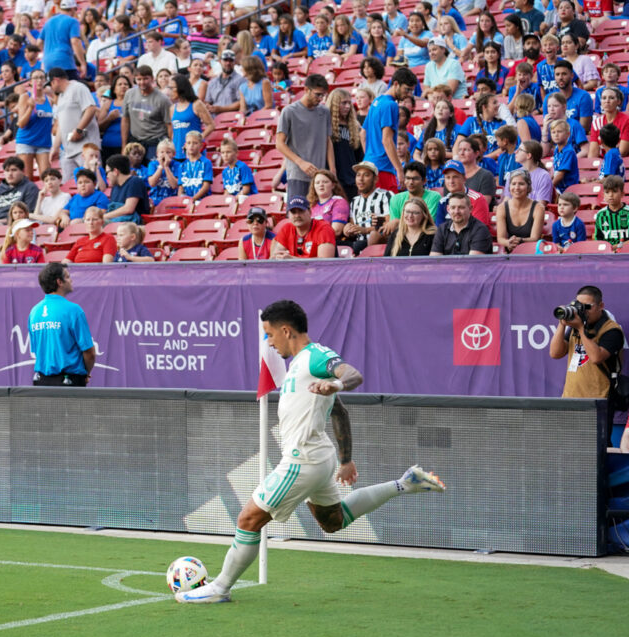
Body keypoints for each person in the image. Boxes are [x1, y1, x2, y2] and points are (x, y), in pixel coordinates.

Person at [176, 300, 445, 603]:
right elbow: (339, 413)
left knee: (248, 520)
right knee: (334, 521)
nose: (269, 342)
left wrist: (338, 384)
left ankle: (219, 588)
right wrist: (345, 460)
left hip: (302, 459)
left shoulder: (315, 356)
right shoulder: (298, 366)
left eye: (270, 335)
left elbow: (353, 374)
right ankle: (405, 483)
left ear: (286, 330)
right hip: (320, 458)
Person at [549, 286, 625, 417]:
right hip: (570, 398)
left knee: (596, 438)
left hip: (598, 401)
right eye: (580, 306)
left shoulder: (612, 330)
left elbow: (597, 357)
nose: (582, 311)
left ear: (601, 306)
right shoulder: (575, 327)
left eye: (587, 307)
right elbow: (555, 353)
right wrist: (562, 324)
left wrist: (580, 328)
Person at [28, 262, 95, 387]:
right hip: (69, 382)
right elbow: (89, 352)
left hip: (41, 382)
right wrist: (86, 373)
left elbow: (36, 350)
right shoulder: (74, 310)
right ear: (60, 282)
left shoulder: (34, 312)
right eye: (68, 276)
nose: (71, 280)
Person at [275, 74, 333, 202]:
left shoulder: (324, 112)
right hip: (297, 175)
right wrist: (300, 162)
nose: (320, 99)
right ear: (306, 90)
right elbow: (279, 143)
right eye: (318, 94)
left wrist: (332, 172)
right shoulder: (289, 111)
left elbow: (328, 141)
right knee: (297, 216)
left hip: (320, 177)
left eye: (323, 95)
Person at [361, 68, 418, 193]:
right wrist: (399, 169)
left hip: (368, 165)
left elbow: (363, 134)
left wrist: (370, 157)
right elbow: (387, 139)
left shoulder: (377, 101)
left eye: (411, 91)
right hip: (384, 168)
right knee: (387, 211)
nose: (408, 94)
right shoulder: (391, 105)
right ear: (396, 84)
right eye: (407, 89)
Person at [48, 68, 100, 183]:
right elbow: (61, 125)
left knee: (90, 181)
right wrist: (55, 148)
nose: (51, 88)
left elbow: (91, 109)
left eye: (50, 84)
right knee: (69, 185)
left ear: (55, 80)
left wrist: (79, 129)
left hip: (86, 147)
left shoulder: (78, 87)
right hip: (68, 151)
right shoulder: (60, 97)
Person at [121, 65, 173, 162]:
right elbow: (125, 119)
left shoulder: (162, 99)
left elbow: (169, 124)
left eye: (145, 79)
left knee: (153, 170)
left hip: (155, 141)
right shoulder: (129, 94)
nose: (142, 82)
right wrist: (124, 145)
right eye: (139, 79)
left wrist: (169, 147)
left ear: (152, 79)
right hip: (135, 140)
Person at [341, 161, 392, 253]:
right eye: (358, 175)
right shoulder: (354, 201)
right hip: (357, 243)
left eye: (366, 175)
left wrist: (365, 230)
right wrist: (348, 229)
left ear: (376, 179)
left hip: (379, 243)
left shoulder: (385, 195)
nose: (361, 179)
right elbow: (353, 226)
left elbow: (389, 225)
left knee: (373, 236)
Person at [495, 169, 545, 252]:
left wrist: (520, 241)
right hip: (510, 252)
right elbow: (500, 239)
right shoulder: (502, 208)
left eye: (521, 184)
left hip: (531, 252)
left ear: (528, 187)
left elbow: (535, 238)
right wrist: (508, 243)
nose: (517, 188)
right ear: (509, 187)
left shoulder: (538, 208)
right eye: (513, 184)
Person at [16, 69, 53, 179]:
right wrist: (31, 108)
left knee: (47, 176)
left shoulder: (50, 100)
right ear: (30, 82)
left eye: (41, 78)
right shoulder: (25, 97)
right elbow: (21, 124)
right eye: (36, 78)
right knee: (27, 177)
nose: (39, 80)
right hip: (26, 141)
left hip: (43, 142)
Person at [271, 196, 335, 259]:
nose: (297, 215)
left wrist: (292, 260)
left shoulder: (323, 228)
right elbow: (274, 258)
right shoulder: (287, 228)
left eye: (301, 211)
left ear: (310, 212)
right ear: (288, 215)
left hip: (317, 269)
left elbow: (325, 263)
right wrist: (279, 257)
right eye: (293, 212)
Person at [0, 157, 40, 225]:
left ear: (23, 171)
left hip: (17, 223)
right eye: (7, 170)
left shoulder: (30, 188)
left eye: (14, 170)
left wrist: (6, 221)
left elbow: (28, 212)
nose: (10, 174)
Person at [39, 0, 87, 79]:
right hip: (64, 60)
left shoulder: (49, 21)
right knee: (74, 87)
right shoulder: (73, 21)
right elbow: (75, 42)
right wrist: (83, 63)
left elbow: (39, 43)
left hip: (47, 61)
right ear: (73, 9)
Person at [104, 154, 150, 223]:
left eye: (107, 172)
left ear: (115, 171)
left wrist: (104, 217)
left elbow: (129, 209)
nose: (107, 176)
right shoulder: (115, 187)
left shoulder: (135, 182)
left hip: (133, 226)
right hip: (117, 223)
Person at [308, 170, 349, 237]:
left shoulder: (339, 201)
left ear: (333, 185)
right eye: (317, 183)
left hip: (330, 243)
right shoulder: (312, 204)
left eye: (325, 182)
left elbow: (336, 230)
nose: (321, 185)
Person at [594, 175, 629, 247]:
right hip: (607, 255)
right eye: (607, 192)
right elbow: (598, 240)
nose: (610, 195)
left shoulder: (627, 212)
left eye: (614, 191)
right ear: (603, 195)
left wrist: (615, 247)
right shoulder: (600, 215)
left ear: (622, 194)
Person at [177, 131, 213, 201]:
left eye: (195, 143)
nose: (191, 145)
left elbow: (206, 186)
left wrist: (193, 199)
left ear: (201, 146)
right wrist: (180, 201)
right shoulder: (182, 165)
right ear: (185, 145)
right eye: (189, 143)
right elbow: (181, 188)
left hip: (202, 201)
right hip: (187, 202)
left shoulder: (206, 163)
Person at [205, 49, 242, 115]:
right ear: (220, 61)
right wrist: (208, 107)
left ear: (235, 62)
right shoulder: (213, 82)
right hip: (214, 118)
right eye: (225, 60)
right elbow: (208, 101)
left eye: (231, 60)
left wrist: (221, 109)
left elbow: (241, 102)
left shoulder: (240, 80)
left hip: (232, 117)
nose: (228, 63)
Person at [551, 120, 579, 194]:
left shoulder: (568, 151)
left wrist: (548, 187)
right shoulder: (556, 149)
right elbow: (555, 171)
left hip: (569, 190)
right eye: (553, 132)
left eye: (559, 132)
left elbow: (560, 175)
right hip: (559, 189)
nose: (556, 135)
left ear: (568, 134)